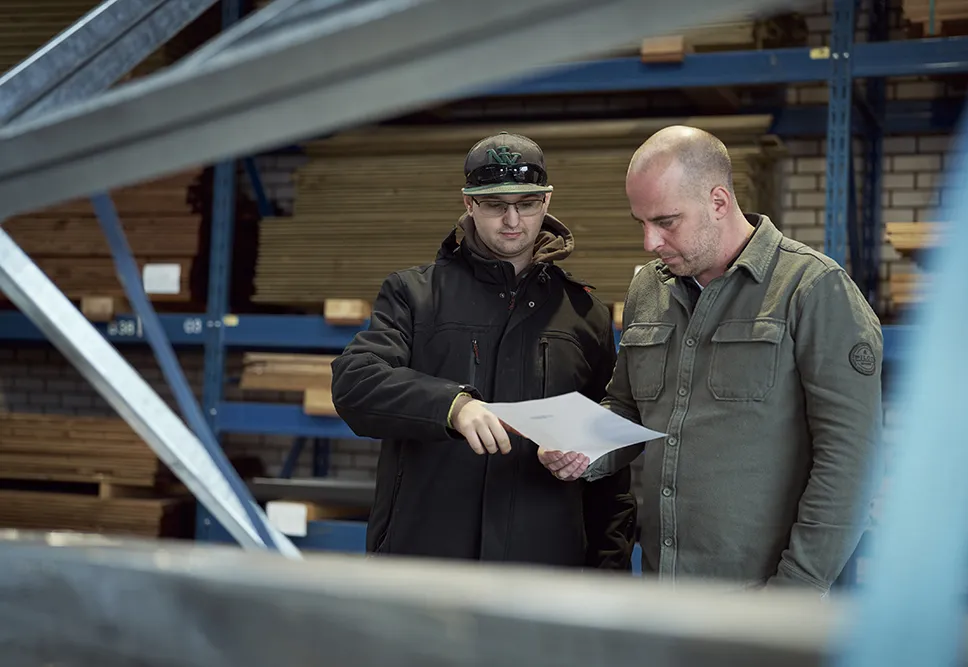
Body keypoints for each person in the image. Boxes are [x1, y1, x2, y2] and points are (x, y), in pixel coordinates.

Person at [538, 125, 884, 594]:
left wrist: (795, 590)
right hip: (666, 587)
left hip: (762, 597)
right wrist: (579, 449)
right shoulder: (648, 290)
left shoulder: (813, 290)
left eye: (665, 222)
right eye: (640, 222)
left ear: (718, 202)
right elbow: (627, 408)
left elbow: (851, 462)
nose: (649, 243)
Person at [330, 131, 637, 570]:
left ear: (547, 201)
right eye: (495, 205)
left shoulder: (582, 312)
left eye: (527, 204)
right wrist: (452, 406)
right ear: (469, 204)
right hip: (427, 566)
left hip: (544, 571)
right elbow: (355, 381)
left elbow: (611, 469)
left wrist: (610, 572)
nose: (512, 220)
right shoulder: (415, 296)